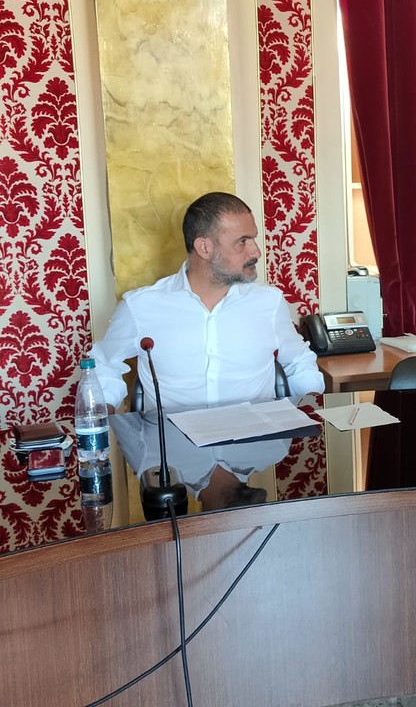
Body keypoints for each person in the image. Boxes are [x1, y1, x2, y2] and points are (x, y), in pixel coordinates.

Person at [89, 191, 325, 507]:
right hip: (171, 444)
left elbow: (299, 363)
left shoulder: (268, 304)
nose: (256, 251)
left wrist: (309, 404)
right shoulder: (141, 306)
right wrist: (99, 420)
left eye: (253, 239)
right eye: (242, 242)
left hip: (257, 433)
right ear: (204, 247)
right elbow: (103, 366)